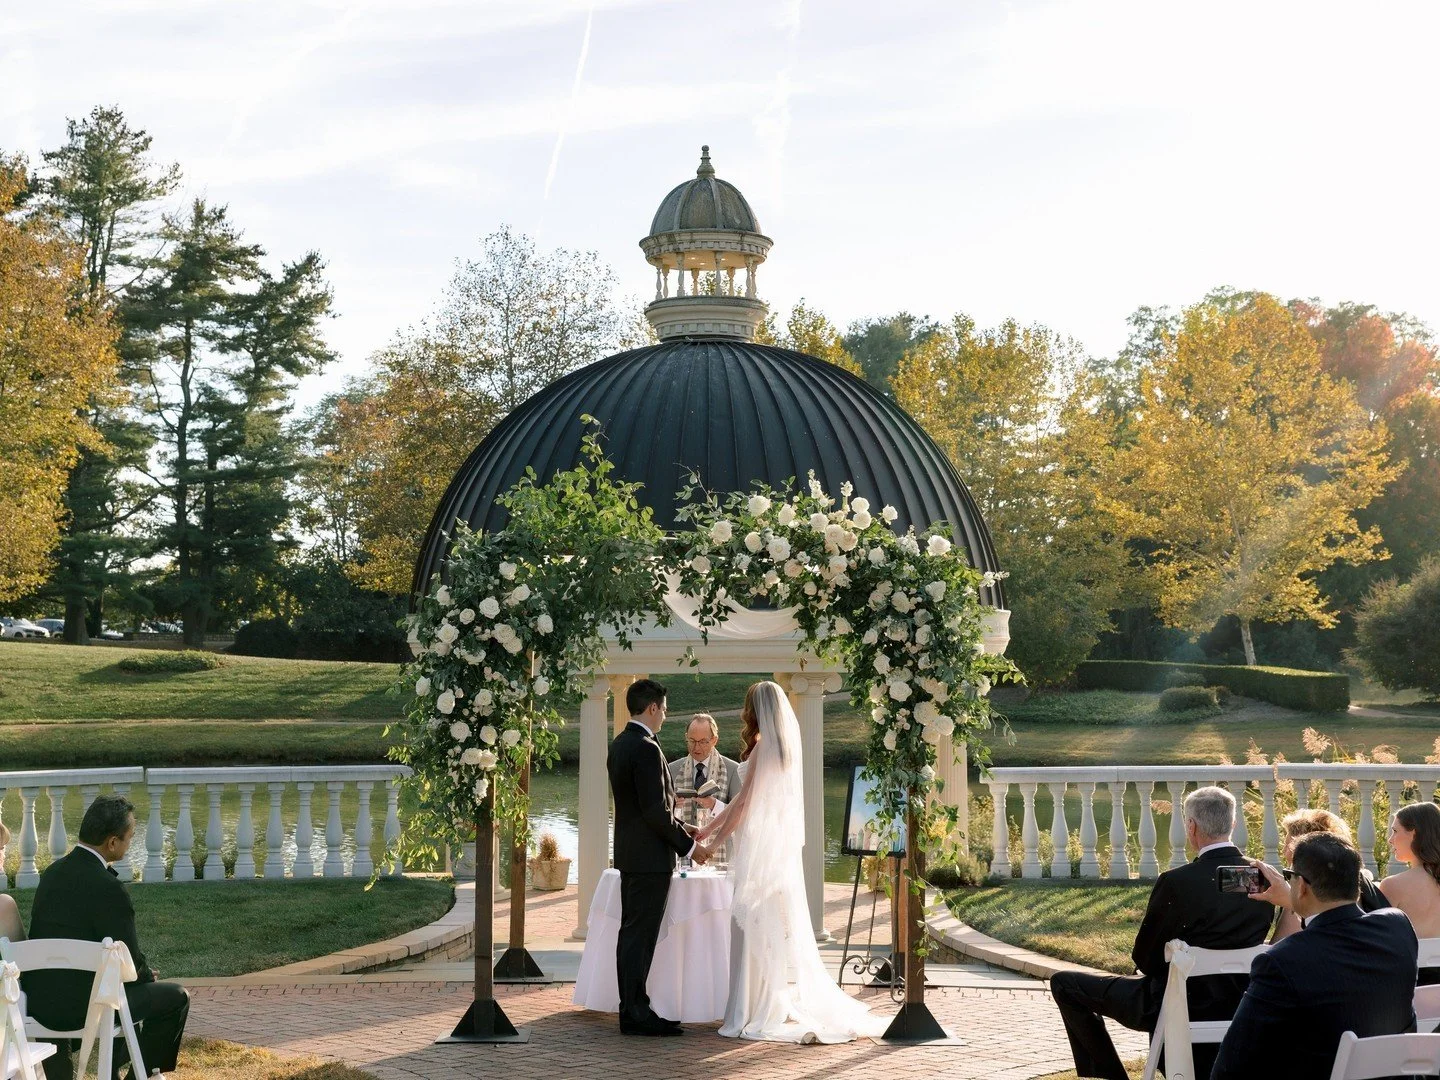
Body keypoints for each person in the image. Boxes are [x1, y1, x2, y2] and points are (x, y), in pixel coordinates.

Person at [696, 681, 885, 1043]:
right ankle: (761, 1000)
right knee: (762, 927)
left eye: (747, 705)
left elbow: (743, 804)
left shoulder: (765, 746)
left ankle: (749, 1009)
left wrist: (713, 838)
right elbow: (741, 803)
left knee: (749, 926)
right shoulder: (780, 748)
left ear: (756, 709)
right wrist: (709, 833)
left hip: (754, 846)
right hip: (768, 847)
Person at [1048, 786, 1272, 1080]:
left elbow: (1146, 958)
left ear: (1191, 826)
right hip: (1240, 1004)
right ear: (1232, 824)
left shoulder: (1178, 882)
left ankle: (1110, 1076)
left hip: (1173, 1005)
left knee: (1065, 984)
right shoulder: (1259, 879)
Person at [1211, 832, 1418, 1079]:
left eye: (1291, 877)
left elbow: (1231, 1067)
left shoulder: (1281, 960)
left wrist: (1295, 900)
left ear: (1303, 886)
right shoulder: (1397, 926)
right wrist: (1295, 898)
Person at [24, 793, 190, 1080]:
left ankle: (110, 1070)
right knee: (175, 997)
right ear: (112, 842)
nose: (132, 842)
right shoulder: (108, 888)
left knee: (117, 989)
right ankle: (140, 1075)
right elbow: (129, 959)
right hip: (88, 1008)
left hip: (40, 1004)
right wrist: (143, 974)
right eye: (130, 836)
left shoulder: (51, 874)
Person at [607, 678, 711, 1037]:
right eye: (663, 709)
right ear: (652, 707)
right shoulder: (647, 748)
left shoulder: (621, 743)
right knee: (640, 936)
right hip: (649, 859)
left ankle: (633, 1008)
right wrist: (692, 849)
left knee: (632, 934)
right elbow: (653, 812)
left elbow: (647, 807)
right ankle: (635, 1013)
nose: (665, 716)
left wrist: (683, 826)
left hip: (632, 855)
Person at [1267, 808, 1388, 941]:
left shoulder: (1305, 891)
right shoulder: (1353, 880)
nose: (1283, 851)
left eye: (1288, 846)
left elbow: (1280, 948)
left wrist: (1291, 902)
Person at [1379, 801, 1440, 983]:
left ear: (1413, 833)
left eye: (1395, 831)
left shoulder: (1393, 886)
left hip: (1408, 988)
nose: (1390, 839)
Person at [667, 713, 742, 835]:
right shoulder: (671, 769)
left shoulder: (733, 770)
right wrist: (674, 807)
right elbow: (661, 815)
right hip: (683, 850)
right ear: (686, 737)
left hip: (720, 850)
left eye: (703, 742)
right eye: (692, 741)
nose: (696, 747)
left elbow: (740, 815)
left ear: (714, 740)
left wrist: (715, 805)